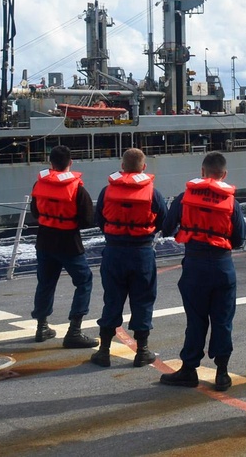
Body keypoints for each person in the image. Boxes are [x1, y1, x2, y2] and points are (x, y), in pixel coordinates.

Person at [159, 152, 246, 391]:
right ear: (224, 175)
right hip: (222, 267)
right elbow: (239, 238)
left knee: (195, 320)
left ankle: (189, 370)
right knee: (223, 320)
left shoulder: (184, 197)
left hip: (195, 267)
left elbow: (166, 227)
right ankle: (222, 373)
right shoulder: (232, 202)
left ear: (202, 172)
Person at [90, 148, 168, 368]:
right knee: (143, 300)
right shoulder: (153, 192)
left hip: (114, 252)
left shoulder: (107, 191)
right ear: (143, 167)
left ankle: (104, 351)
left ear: (122, 166)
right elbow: (164, 220)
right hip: (142, 252)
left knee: (112, 299)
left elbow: (100, 219)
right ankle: (142, 351)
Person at [29, 145, 98, 348]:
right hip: (69, 243)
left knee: (46, 283)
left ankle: (42, 327)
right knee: (84, 281)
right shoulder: (78, 189)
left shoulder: (38, 185)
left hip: (44, 242)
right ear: (70, 163)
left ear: (50, 163)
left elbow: (35, 212)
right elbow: (87, 220)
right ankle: (74, 331)